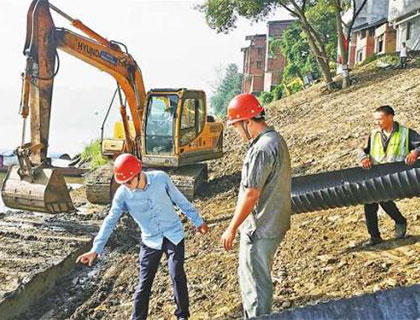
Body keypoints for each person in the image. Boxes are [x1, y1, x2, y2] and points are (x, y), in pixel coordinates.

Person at [76, 153, 208, 320]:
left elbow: (180, 200)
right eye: (123, 183)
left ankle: (182, 316)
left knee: (176, 274)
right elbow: (110, 221)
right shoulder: (123, 195)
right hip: (150, 240)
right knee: (143, 284)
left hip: (173, 234)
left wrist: (197, 220)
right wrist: (95, 249)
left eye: (129, 182)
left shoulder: (160, 178)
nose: (127, 186)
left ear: (138, 173)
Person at [220, 93, 291, 319]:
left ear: (248, 122)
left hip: (259, 227)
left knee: (256, 286)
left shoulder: (262, 148)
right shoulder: (276, 139)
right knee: (256, 279)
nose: (237, 132)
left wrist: (232, 227)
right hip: (272, 222)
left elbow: (251, 193)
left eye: (236, 127)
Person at [359, 105, 420, 246]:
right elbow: (361, 150)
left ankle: (399, 221)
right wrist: (363, 158)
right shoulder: (374, 134)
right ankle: (375, 236)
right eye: (375, 119)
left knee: (381, 197)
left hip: (398, 178)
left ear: (390, 117)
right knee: (369, 201)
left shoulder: (406, 133)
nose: (377, 122)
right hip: (378, 177)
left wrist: (415, 153)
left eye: (379, 119)